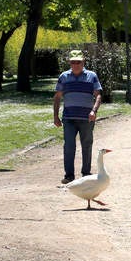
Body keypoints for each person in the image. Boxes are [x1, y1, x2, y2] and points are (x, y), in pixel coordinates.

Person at [53, 50, 103, 184]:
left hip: (87, 118)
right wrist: (55, 116)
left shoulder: (91, 76)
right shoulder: (64, 76)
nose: (76, 64)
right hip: (69, 118)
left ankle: (86, 173)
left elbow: (98, 94)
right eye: (73, 62)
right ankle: (69, 175)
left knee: (86, 145)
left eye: (78, 62)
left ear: (83, 62)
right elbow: (57, 97)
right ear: (70, 62)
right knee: (69, 146)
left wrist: (94, 110)